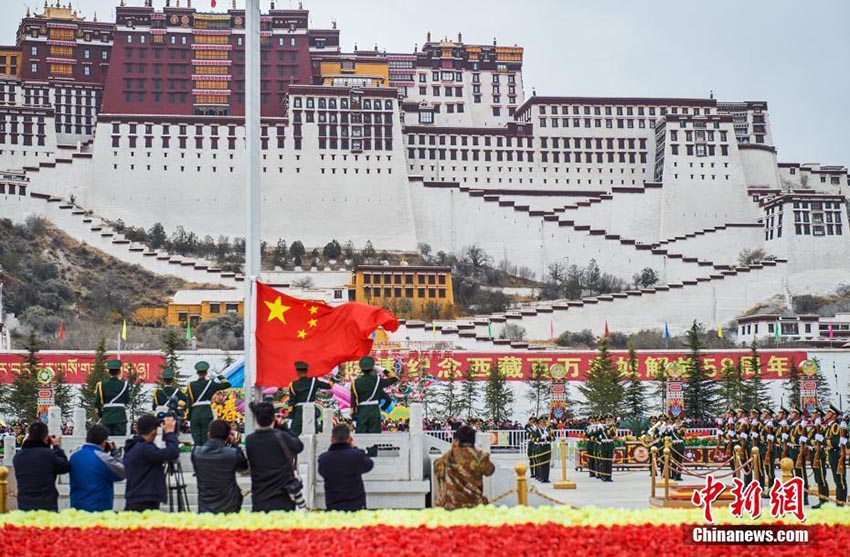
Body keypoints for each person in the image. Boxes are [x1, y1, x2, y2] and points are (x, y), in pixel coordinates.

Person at [245, 401, 305, 512]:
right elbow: (299, 446)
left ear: (257, 420)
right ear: (273, 418)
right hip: (282, 496)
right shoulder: (282, 436)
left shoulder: (250, 440)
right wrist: (283, 427)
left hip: (260, 496)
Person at [123, 414, 179, 512]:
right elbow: (172, 453)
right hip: (144, 499)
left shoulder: (134, 446)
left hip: (138, 497)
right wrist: (170, 433)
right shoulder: (145, 448)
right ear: (154, 431)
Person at [192, 419, 249, 513]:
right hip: (229, 505)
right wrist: (234, 443)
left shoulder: (197, 453)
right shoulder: (232, 454)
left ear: (208, 435)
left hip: (205, 506)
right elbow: (244, 467)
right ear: (228, 437)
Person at [433, 425, 495, 510]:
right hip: (473, 506)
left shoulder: (447, 458)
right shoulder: (480, 456)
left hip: (449, 506)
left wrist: (453, 449)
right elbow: (490, 470)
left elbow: (437, 468)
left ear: (456, 441)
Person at [13, 421, 70, 511]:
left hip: (24, 505)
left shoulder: (18, 456)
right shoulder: (49, 455)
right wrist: (56, 447)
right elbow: (65, 467)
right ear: (45, 437)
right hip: (46, 506)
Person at [69, 424, 125, 512]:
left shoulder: (74, 456)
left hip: (77, 506)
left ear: (86, 439)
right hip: (99, 507)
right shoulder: (104, 458)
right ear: (104, 441)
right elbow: (122, 472)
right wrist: (115, 452)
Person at [317, 424, 374, 511]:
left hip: (333, 505)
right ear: (349, 439)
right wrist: (355, 448)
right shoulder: (356, 456)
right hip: (356, 505)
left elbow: (322, 472)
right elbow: (369, 465)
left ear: (332, 439)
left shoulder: (324, 459)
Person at [187, 361, 231, 446]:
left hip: (195, 413)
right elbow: (227, 384)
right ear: (206, 372)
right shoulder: (211, 384)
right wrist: (218, 375)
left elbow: (189, 402)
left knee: (196, 439)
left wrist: (189, 415)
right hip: (206, 412)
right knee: (206, 438)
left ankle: (197, 456)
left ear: (197, 372)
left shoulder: (191, 385)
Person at [351, 356, 398, 435]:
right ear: (372, 368)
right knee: (374, 436)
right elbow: (394, 378)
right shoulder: (378, 381)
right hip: (374, 411)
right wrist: (379, 368)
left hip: (361, 411)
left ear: (361, 368)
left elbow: (353, 400)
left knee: (361, 437)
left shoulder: (355, 382)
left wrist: (353, 415)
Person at [288, 361, 334, 436]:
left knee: (294, 434)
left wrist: (291, 416)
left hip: (299, 412)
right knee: (313, 433)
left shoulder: (293, 385)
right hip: (311, 410)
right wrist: (333, 379)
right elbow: (329, 386)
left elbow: (292, 402)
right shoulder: (313, 381)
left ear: (297, 372)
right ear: (307, 371)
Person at [95, 359, 130, 436]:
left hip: (107, 417)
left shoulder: (101, 385)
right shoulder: (124, 384)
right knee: (120, 442)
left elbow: (97, 403)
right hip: (120, 417)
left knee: (107, 442)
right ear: (119, 371)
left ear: (109, 371)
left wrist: (101, 414)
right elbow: (127, 400)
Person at [825, 404, 846, 506]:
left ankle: (841, 503)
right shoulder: (830, 426)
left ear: (834, 415)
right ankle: (839, 502)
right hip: (832, 454)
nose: (826, 414)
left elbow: (834, 442)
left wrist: (823, 441)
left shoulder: (835, 426)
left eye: (829, 412)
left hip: (836, 454)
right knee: (836, 480)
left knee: (840, 480)